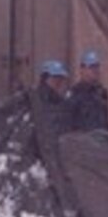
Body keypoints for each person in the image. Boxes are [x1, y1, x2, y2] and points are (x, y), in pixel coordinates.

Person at [30, 59, 76, 208]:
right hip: (45, 156)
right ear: (45, 78)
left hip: (57, 155)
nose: (58, 82)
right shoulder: (35, 102)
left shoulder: (62, 103)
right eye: (55, 78)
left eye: (60, 79)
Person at [65, 49, 108, 132]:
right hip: (84, 141)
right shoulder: (75, 93)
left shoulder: (101, 92)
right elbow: (68, 123)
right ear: (82, 69)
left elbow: (106, 121)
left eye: (97, 67)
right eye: (91, 67)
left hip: (102, 140)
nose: (95, 70)